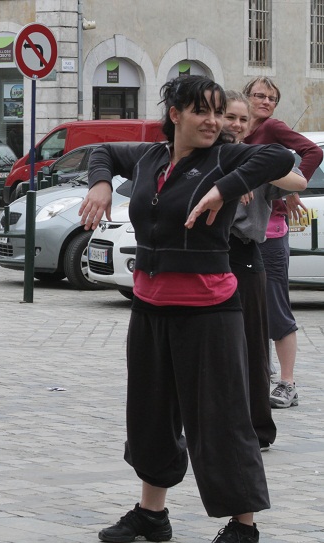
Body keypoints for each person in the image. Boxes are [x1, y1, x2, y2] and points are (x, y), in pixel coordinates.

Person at [78, 75, 294, 543]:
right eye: (203, 111)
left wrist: (224, 188)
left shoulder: (225, 157)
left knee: (222, 420)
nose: (214, 121)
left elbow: (280, 157)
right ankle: (151, 515)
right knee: (149, 417)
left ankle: (243, 527)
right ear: (175, 115)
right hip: (150, 308)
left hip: (209, 312)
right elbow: (103, 152)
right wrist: (99, 185)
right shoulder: (152, 157)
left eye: (219, 112)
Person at [222, 90, 307, 452]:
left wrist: (249, 174)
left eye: (243, 119)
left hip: (246, 256)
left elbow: (298, 179)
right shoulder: (206, 156)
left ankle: (256, 429)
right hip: (209, 257)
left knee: (254, 348)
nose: (236, 125)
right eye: (231, 117)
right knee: (214, 345)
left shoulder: (258, 156)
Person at [242, 76, 323, 410]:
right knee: (245, 310)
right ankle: (258, 372)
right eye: (259, 96)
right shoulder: (236, 131)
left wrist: (293, 185)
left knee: (275, 308)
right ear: (245, 97)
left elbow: (312, 151)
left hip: (271, 232)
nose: (266, 102)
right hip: (241, 233)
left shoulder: (272, 128)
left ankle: (286, 383)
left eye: (272, 98)